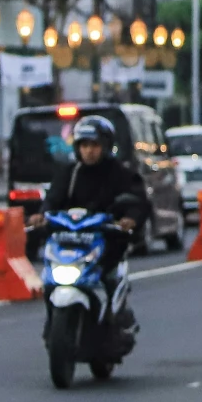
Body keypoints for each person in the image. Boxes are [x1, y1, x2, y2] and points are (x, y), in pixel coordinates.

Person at [32, 116, 150, 306]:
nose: (89, 151)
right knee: (49, 278)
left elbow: (138, 201)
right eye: (84, 145)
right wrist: (42, 215)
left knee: (110, 276)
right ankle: (51, 320)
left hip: (106, 238)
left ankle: (114, 316)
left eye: (94, 145)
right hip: (71, 239)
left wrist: (130, 219)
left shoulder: (120, 173)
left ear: (105, 146)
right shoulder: (69, 172)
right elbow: (53, 199)